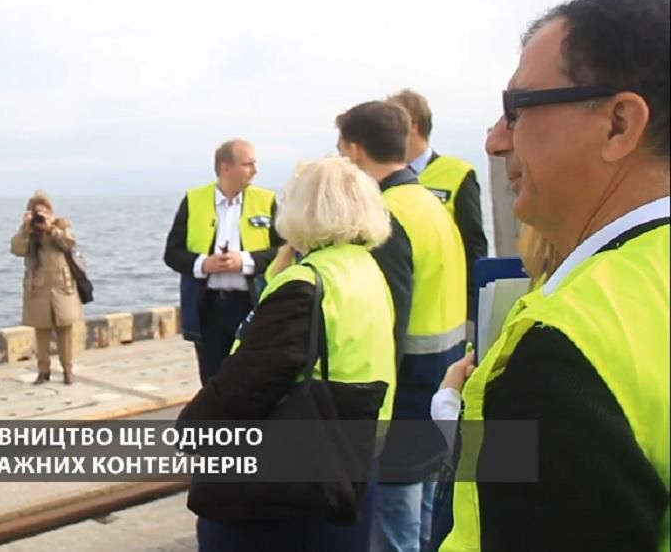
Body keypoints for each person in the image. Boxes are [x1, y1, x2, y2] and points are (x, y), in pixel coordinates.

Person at [435, 0, 669, 552]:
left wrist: (455, 419)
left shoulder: (562, 345)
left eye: (517, 109)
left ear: (618, 124)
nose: (495, 140)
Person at [178, 156, 397, 552]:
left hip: (291, 481)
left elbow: (249, 382)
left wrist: (191, 428)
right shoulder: (365, 269)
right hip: (355, 457)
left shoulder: (307, 282)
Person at [335, 102, 467, 552]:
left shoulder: (386, 217)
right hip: (440, 381)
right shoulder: (430, 204)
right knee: (428, 525)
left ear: (354, 151)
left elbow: (385, 320)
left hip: (403, 395)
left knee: (394, 532)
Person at [163, 139, 283, 385]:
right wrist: (203, 265)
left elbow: (284, 249)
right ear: (226, 167)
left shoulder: (266, 200)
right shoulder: (193, 200)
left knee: (251, 380)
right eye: (248, 164)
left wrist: (245, 260)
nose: (255, 170)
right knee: (213, 382)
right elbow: (172, 253)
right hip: (209, 308)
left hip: (250, 304)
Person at [385, 89, 489, 318]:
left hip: (446, 311)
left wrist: (472, 313)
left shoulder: (457, 173)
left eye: (390, 121)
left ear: (412, 124)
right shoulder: (381, 181)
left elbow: (474, 247)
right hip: (401, 306)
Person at [10, 190, 83, 385]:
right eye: (36, 211)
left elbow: (70, 243)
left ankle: (68, 370)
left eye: (44, 210)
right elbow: (16, 249)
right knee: (41, 332)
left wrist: (52, 229)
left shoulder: (60, 226)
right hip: (38, 288)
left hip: (62, 286)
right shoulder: (28, 231)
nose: (40, 215)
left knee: (65, 332)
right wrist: (26, 229)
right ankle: (43, 371)